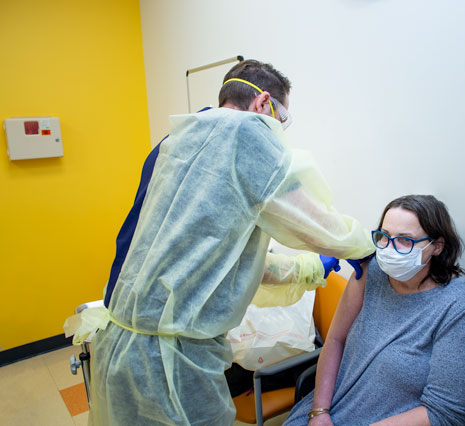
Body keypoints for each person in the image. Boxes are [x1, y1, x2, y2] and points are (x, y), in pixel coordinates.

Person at [73, 60, 375, 425]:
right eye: (282, 119)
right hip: (170, 363)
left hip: (120, 343)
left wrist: (309, 268)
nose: (278, 131)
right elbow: (316, 222)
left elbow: (215, 259)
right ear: (264, 102)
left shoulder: (176, 142)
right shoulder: (246, 136)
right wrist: (365, 245)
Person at [284, 194, 465, 426]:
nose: (390, 249)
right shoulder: (371, 272)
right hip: (341, 406)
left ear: (437, 246)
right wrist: (320, 412)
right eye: (384, 236)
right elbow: (335, 340)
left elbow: (446, 412)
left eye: (405, 240)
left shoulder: (459, 306)